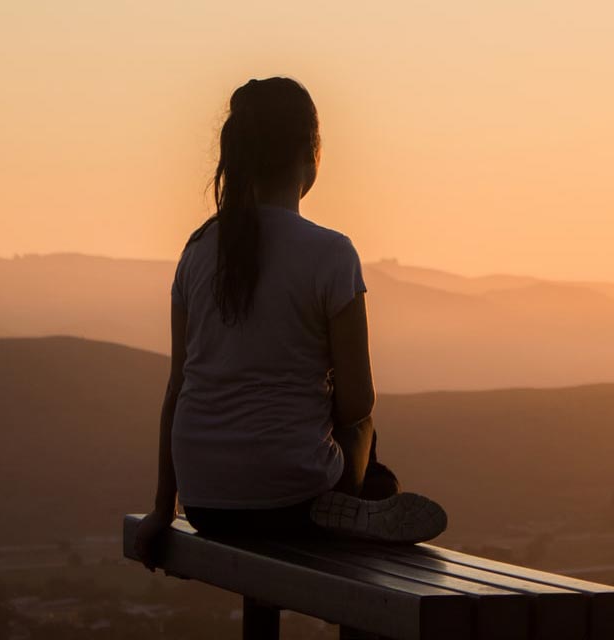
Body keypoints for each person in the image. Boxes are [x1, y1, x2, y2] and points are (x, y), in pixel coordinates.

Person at [132, 77, 446, 569]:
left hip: (206, 503)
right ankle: (361, 500)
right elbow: (357, 401)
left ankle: (356, 498)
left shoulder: (196, 251)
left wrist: (160, 509)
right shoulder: (331, 254)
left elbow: (178, 388)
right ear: (311, 153)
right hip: (293, 501)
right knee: (366, 429)